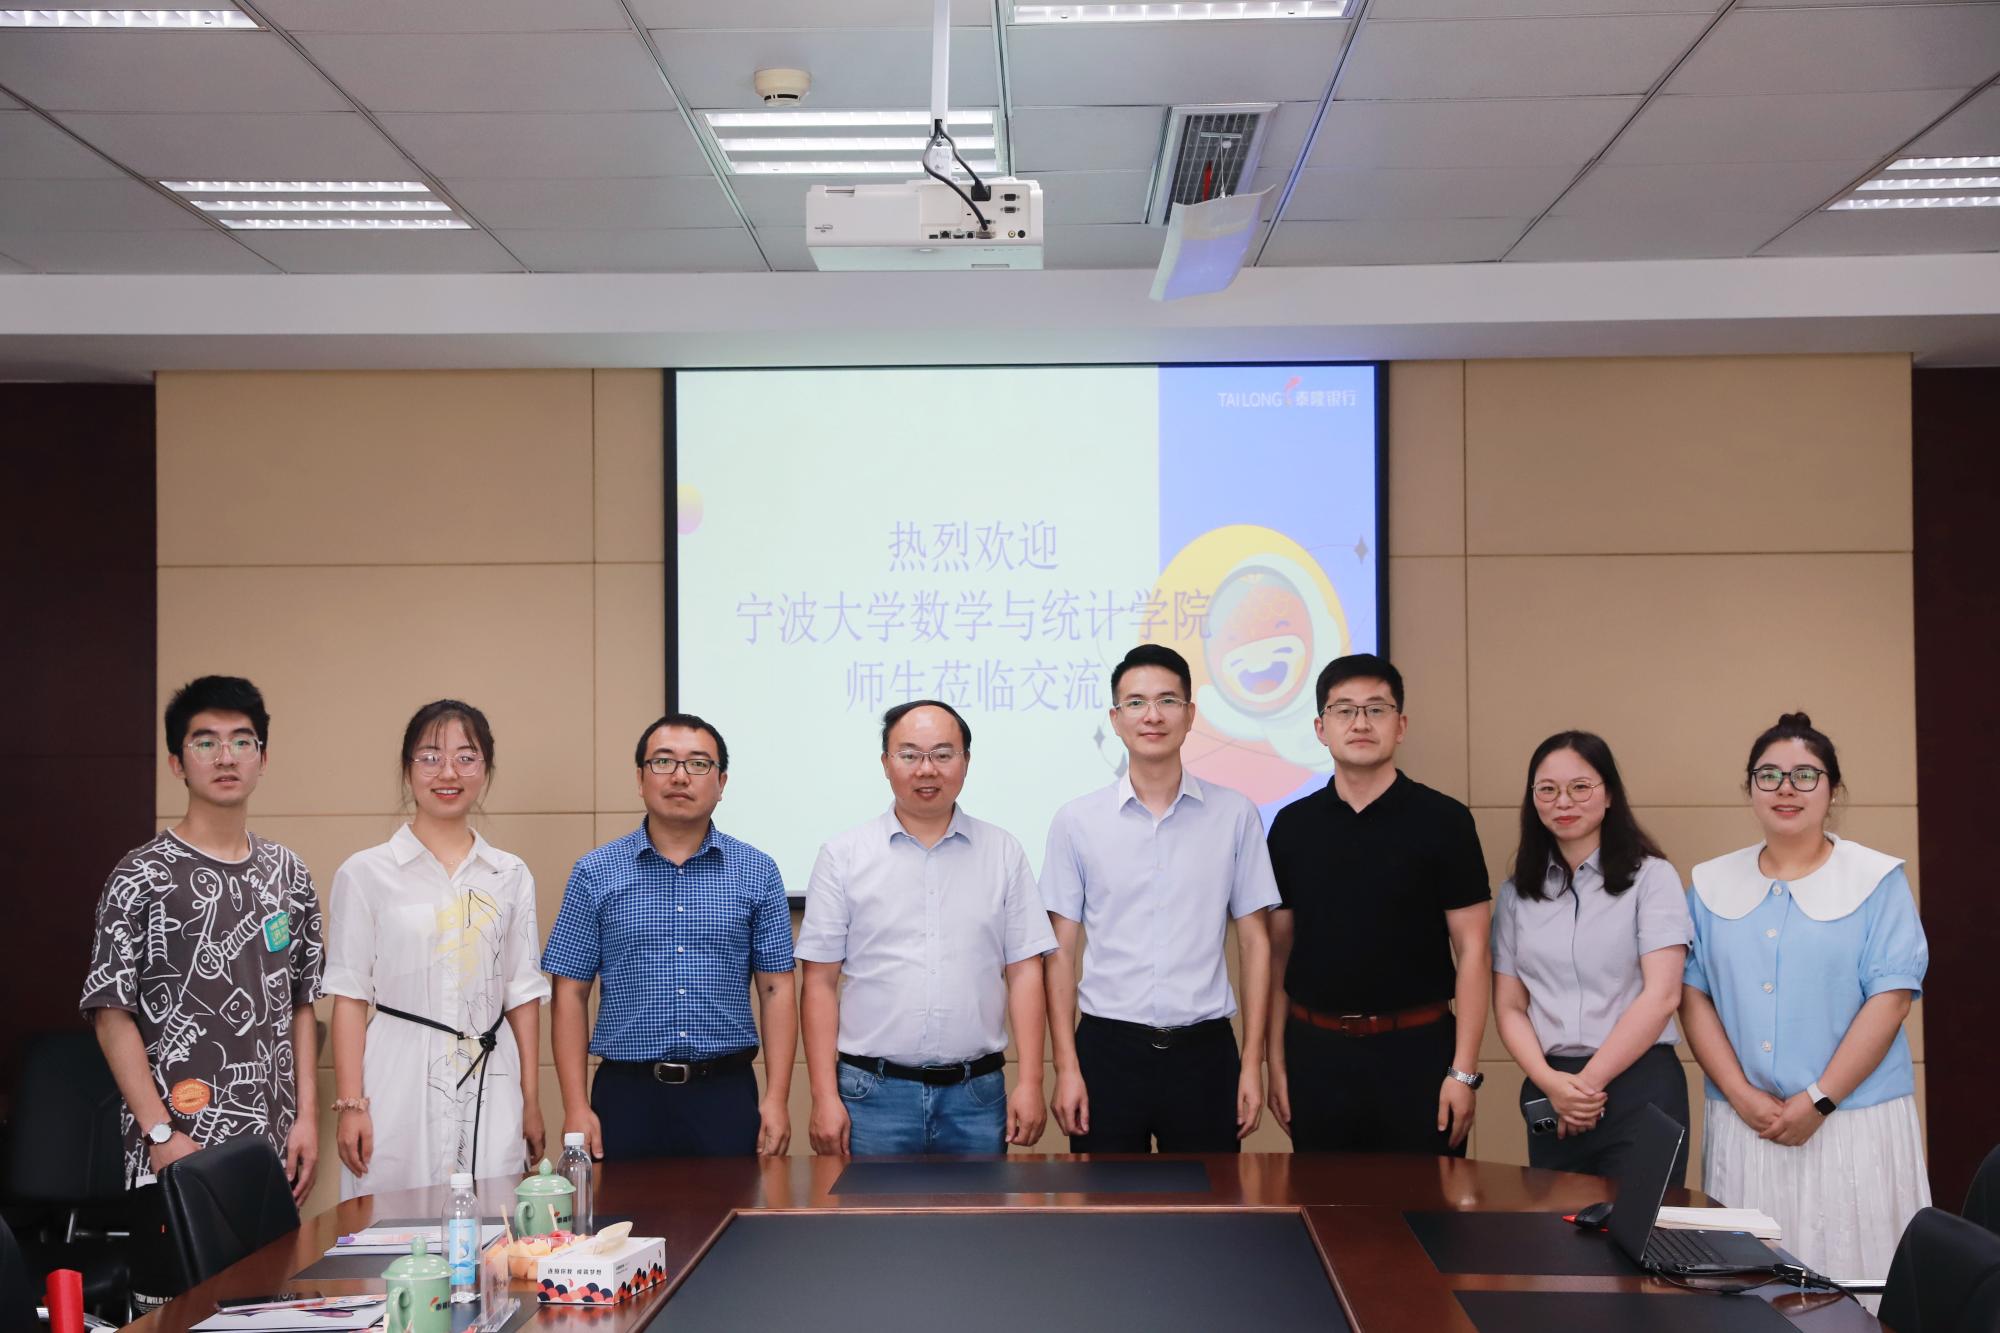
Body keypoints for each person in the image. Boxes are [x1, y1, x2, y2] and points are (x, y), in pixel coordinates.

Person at [80, 676, 324, 1302]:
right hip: (176, 1155)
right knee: (178, 1315)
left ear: (263, 758)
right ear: (176, 762)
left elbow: (302, 1003)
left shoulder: (288, 874)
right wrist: (161, 1135)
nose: (225, 756)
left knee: (268, 1310)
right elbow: (110, 1013)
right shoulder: (140, 876)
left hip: (268, 1157)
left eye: (242, 741)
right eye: (206, 742)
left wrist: (305, 1118)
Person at [1682, 712, 1929, 1282]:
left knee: (1854, 1276)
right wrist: (1741, 1094)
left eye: (1805, 775)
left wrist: (1819, 1099)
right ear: (1750, 789)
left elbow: (1890, 1000)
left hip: (1853, 1122)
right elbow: (1693, 997)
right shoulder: (1709, 885)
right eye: (1768, 775)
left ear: (1833, 790)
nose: (1785, 788)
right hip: (1748, 1123)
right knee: (1750, 1287)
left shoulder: (1877, 880)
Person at [1041, 644, 1279, 1153]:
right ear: (1115, 718)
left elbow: (1256, 944)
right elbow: (1059, 950)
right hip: (1107, 1050)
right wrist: (1066, 1067)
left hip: (1205, 1053)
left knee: (1213, 1202)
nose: (1152, 715)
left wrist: (1251, 1065)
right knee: (1103, 1203)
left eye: (1168, 700)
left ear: (1190, 715)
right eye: (1136, 702)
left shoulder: (1235, 815)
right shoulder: (1076, 821)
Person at [798, 700, 1055, 1156]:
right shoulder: (843, 856)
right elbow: (818, 982)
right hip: (871, 1094)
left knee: (979, 1208)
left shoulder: (1003, 852)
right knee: (868, 1209)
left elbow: (1025, 972)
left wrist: (1032, 1081)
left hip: (976, 1094)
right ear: (886, 763)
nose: (926, 769)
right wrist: (823, 1096)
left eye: (942, 754)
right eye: (910, 754)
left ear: (966, 761)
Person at [541, 713, 796, 1159]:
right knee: (620, 1207)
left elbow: (777, 989)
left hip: (725, 1093)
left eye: (698, 763)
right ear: (640, 779)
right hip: (626, 1094)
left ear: (721, 782)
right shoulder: (595, 872)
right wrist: (575, 1105)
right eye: (663, 762)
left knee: (735, 1206)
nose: (680, 776)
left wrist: (776, 1099)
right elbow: (570, 992)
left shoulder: (757, 871)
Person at [1265, 653, 1491, 1154]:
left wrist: (1463, 1072)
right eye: (1344, 710)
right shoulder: (1292, 827)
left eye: (1376, 709)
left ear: (1400, 725)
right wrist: (1276, 1065)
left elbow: (1474, 950)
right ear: (1321, 728)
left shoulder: (1446, 821)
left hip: (1420, 1054)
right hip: (1316, 1056)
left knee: (1427, 1203)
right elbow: (1278, 955)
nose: (1360, 723)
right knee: (1322, 1200)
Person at [324, 700, 550, 1199]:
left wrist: (530, 1101)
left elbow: (522, 992)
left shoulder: (510, 873)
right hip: (396, 1076)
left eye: (466, 758)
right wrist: (352, 1105)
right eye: (430, 757)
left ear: (485, 769)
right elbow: (349, 994)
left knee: (493, 1217)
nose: (448, 772)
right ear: (408, 769)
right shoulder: (365, 872)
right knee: (387, 1219)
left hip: (492, 1076)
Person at [1491, 731, 1692, 1180]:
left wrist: (1585, 1087)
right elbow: (1509, 1006)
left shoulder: (1652, 879)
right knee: (1556, 1222)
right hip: (1551, 1086)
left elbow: (1662, 995)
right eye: (1547, 789)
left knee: (1640, 1221)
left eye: (1580, 787)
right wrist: (1551, 1083)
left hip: (1639, 1081)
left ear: (1610, 795)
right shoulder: (1516, 895)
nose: (1563, 802)